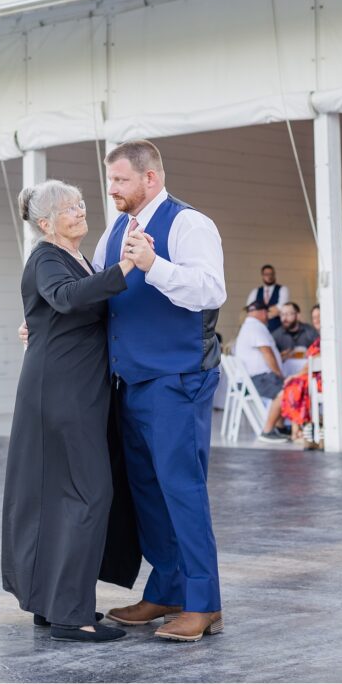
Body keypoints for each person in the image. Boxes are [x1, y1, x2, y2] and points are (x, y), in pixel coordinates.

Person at [93, 140, 227, 643]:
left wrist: (155, 265)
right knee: (146, 490)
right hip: (130, 380)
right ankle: (167, 587)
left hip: (177, 378)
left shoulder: (190, 224)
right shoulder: (114, 231)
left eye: (121, 180)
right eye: (111, 181)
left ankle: (203, 603)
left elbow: (211, 291)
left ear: (150, 178)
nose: (113, 190)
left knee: (182, 489)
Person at [1, 180, 139, 644]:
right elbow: (64, 297)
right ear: (46, 223)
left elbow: (60, 306)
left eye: (80, 204)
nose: (80, 211)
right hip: (60, 395)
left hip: (75, 392)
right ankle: (71, 615)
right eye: (68, 208)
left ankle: (53, 603)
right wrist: (126, 266)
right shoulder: (46, 257)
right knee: (88, 493)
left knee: (60, 498)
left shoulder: (78, 259)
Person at [280, 306, 342, 439]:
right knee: (298, 383)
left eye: (319, 317)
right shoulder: (325, 338)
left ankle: (298, 431)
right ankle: (301, 429)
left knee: (295, 383)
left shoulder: (332, 338)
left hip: (336, 382)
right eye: (314, 317)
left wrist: (296, 375)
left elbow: (317, 360)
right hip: (329, 380)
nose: (316, 320)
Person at [235, 303, 291, 445]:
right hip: (257, 378)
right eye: (266, 312)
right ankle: (267, 431)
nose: (267, 316)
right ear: (259, 312)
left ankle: (280, 426)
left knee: (285, 387)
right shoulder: (255, 327)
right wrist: (278, 373)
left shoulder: (250, 326)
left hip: (255, 377)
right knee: (286, 391)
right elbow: (267, 352)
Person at [245, 265, 289, 333]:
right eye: (266, 274)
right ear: (262, 276)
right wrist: (272, 311)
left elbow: (281, 309)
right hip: (258, 330)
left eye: (271, 274)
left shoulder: (282, 289)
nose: (269, 276)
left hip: (277, 329)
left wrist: (259, 312)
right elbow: (249, 311)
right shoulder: (255, 291)